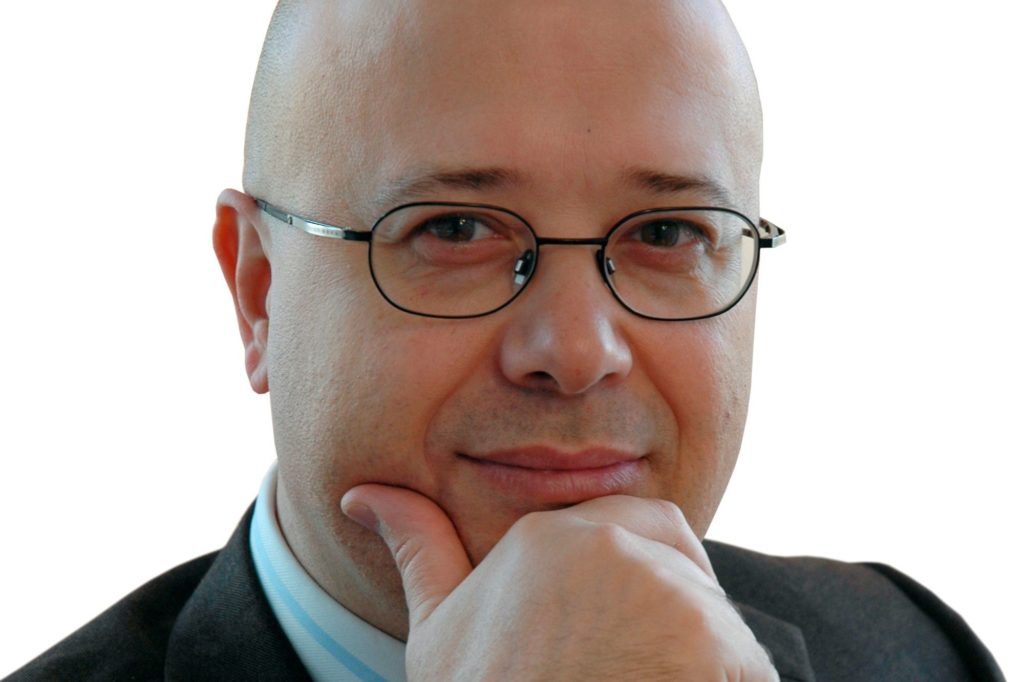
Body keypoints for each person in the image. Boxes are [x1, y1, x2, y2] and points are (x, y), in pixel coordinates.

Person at [5, 0, 1007, 680]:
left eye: (668, 234)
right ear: (258, 292)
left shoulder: (913, 651)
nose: (575, 352)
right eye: (453, 229)